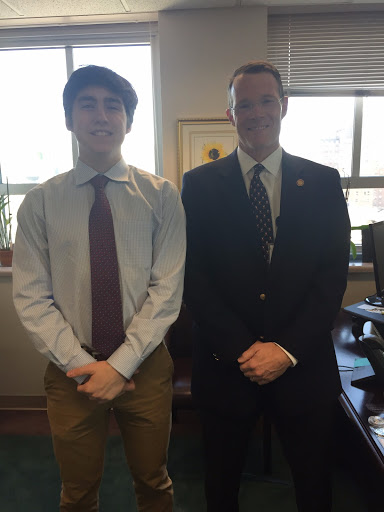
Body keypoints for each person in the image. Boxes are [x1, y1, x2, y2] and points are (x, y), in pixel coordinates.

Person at [13, 65, 186, 511]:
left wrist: (122, 364)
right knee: (77, 491)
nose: (101, 115)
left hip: (145, 367)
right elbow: (32, 297)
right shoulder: (40, 203)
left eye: (114, 106)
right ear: (69, 119)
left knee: (154, 481)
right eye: (87, 104)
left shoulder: (162, 196)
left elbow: (166, 291)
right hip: (71, 371)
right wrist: (85, 366)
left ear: (128, 120)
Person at [181, 61, 350, 512]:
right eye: (245, 104)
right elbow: (193, 275)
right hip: (225, 366)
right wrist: (243, 349)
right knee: (221, 485)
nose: (257, 112)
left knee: (315, 486)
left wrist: (286, 349)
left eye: (267, 100)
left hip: (303, 365)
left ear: (284, 106)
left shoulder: (322, 181)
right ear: (231, 114)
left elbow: (331, 277)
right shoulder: (197, 187)